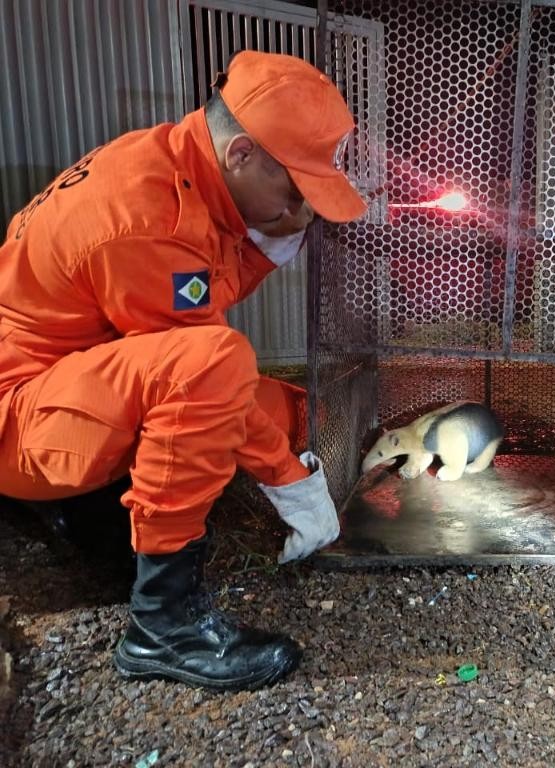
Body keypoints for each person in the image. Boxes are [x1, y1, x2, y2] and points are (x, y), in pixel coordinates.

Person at [0, 51, 367, 691]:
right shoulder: (147, 218)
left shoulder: (175, 164)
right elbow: (199, 363)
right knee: (220, 367)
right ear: (242, 153)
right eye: (295, 190)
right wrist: (293, 484)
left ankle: (80, 508)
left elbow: (195, 294)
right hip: (22, 416)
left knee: (283, 410)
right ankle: (162, 625)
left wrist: (271, 241)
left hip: (70, 379)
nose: (302, 208)